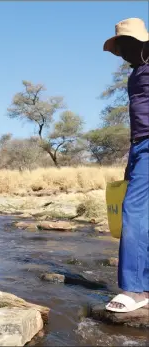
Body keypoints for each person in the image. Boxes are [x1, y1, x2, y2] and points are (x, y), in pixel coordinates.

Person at [103, 17, 149, 313]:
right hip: (138, 148)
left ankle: (136, 290)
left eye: (131, 44)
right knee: (137, 210)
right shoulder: (136, 73)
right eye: (122, 47)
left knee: (133, 210)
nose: (125, 52)